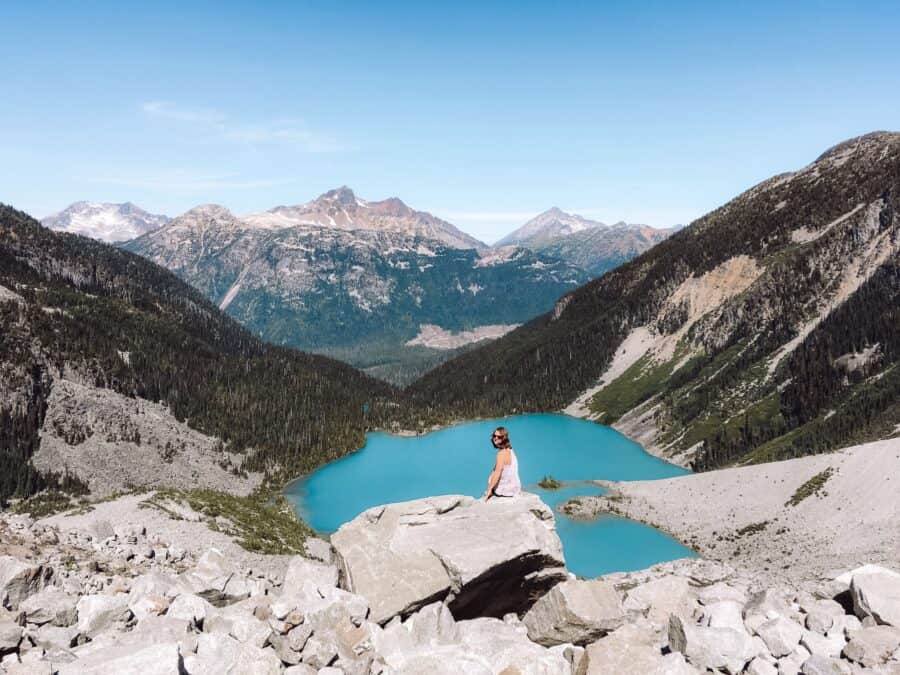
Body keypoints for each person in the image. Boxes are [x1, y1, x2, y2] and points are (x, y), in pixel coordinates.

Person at [482, 426, 521, 501]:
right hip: (515, 489)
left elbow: (497, 473)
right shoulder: (510, 450)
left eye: (499, 437)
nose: (495, 438)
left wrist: (489, 490)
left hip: (505, 491)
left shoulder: (501, 454)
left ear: (504, 438)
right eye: (494, 436)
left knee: (492, 476)